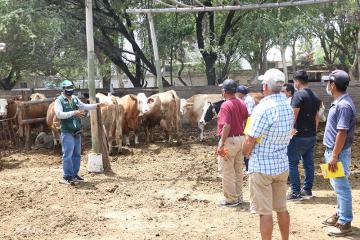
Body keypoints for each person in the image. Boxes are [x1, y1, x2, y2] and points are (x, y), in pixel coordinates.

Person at [242, 68, 293, 240]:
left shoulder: (263, 108)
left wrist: (246, 154)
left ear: (265, 86)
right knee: (282, 208)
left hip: (262, 167)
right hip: (281, 165)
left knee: (265, 213)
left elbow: (250, 139)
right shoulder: (287, 106)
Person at [321, 70, 355, 237]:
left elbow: (342, 132)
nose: (327, 85)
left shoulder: (343, 105)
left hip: (337, 154)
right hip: (333, 152)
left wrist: (334, 156)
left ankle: (345, 222)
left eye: (328, 82)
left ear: (333, 85)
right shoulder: (340, 102)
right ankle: (340, 214)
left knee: (342, 188)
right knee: (337, 186)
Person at [55, 80, 107, 185]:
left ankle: (74, 174)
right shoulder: (59, 100)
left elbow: (83, 106)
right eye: (67, 88)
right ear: (63, 89)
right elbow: (59, 114)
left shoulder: (74, 98)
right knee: (67, 155)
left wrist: (97, 105)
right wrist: (74, 112)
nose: (70, 90)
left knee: (77, 154)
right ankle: (67, 176)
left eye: (71, 88)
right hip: (67, 131)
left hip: (76, 130)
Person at [287, 70, 321, 201]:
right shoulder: (315, 96)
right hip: (311, 135)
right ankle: (307, 189)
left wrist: (289, 132)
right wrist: (313, 131)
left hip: (298, 135)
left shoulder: (298, 95)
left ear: (296, 81)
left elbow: (293, 115)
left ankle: (295, 192)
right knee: (308, 164)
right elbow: (317, 117)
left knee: (292, 163)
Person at [217, 79, 248, 207]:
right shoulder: (241, 102)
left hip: (229, 140)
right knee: (238, 170)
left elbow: (226, 125)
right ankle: (239, 196)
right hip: (241, 139)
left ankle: (231, 199)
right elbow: (247, 119)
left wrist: (221, 143)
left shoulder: (225, 105)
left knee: (227, 170)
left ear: (224, 91)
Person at [236, 85, 256, 172]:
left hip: (249, 125)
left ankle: (248, 167)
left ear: (240, 93)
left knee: (248, 145)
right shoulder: (246, 99)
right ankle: (247, 166)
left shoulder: (248, 101)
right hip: (247, 125)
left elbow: (249, 115)